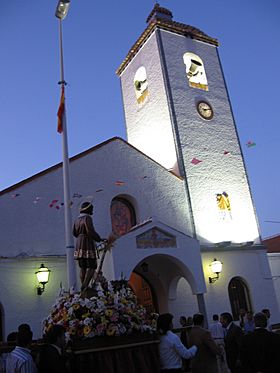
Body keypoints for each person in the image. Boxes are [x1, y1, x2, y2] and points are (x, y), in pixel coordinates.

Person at [73, 201, 106, 291]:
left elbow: (74, 233)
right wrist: (99, 239)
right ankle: (85, 285)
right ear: (88, 209)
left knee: (83, 266)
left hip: (79, 244)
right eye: (92, 209)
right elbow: (90, 231)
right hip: (87, 242)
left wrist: (80, 236)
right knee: (92, 265)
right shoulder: (87, 218)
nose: (93, 211)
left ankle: (83, 286)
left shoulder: (76, 220)